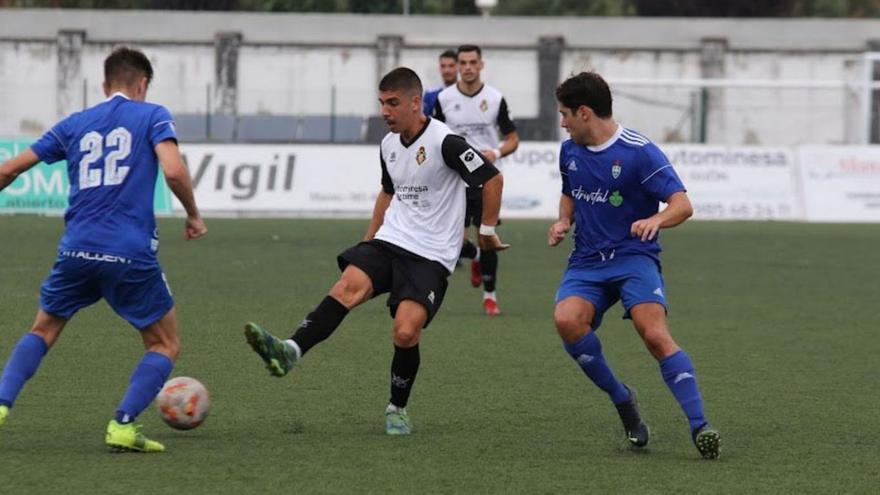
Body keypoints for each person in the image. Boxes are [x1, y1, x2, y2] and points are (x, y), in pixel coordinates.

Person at [243, 67, 508, 436]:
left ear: (416, 103)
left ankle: (397, 407)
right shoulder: (387, 144)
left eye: (393, 103)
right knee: (346, 287)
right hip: (391, 239)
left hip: (431, 254)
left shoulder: (445, 142)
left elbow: (492, 177)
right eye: (381, 103)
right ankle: (290, 350)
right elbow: (387, 192)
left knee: (405, 331)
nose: (385, 110)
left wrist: (486, 231)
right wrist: (369, 242)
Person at [0, 47, 207, 453]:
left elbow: (9, 168)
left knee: (42, 329)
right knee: (164, 344)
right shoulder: (152, 115)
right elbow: (173, 168)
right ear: (142, 83)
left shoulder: (75, 123)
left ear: (104, 84)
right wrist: (193, 215)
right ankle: (123, 425)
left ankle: (1, 406)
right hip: (129, 252)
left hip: (76, 249)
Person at [548, 71, 721, 459]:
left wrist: (656, 220)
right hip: (587, 261)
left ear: (585, 112)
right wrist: (563, 221)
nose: (562, 122)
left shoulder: (639, 152)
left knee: (654, 334)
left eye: (565, 114)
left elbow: (682, 204)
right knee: (566, 321)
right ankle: (623, 399)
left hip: (633, 258)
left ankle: (700, 426)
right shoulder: (569, 151)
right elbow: (568, 193)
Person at [433, 44, 519, 316]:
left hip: (486, 179)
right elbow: (433, 135)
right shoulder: (444, 99)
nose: (468, 67)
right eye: (463, 62)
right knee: (452, 241)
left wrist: (494, 152)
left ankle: (490, 296)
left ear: (481, 65)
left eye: (473, 62)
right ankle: (477, 258)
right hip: (454, 178)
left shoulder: (495, 99)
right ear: (457, 66)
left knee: (487, 236)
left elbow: (513, 139)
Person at [422, 50, 457, 116]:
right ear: (439, 68)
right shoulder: (430, 94)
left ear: (458, 67)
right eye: (443, 66)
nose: (447, 70)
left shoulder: (465, 94)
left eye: (451, 66)